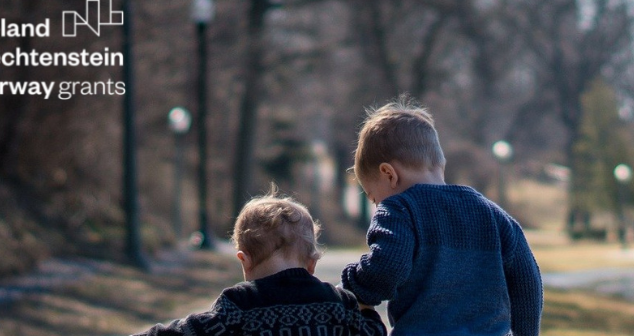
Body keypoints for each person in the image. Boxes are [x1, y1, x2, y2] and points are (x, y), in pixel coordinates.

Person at [340, 95, 543, 336]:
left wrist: (350, 284)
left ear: (389, 174)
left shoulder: (400, 210)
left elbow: (386, 270)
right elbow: (527, 280)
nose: (377, 204)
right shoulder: (492, 214)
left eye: (374, 197)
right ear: (440, 164)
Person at [134, 190, 386, 336]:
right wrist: (367, 308)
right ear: (312, 264)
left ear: (245, 261)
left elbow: (187, 332)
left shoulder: (239, 304)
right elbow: (373, 333)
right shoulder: (337, 303)